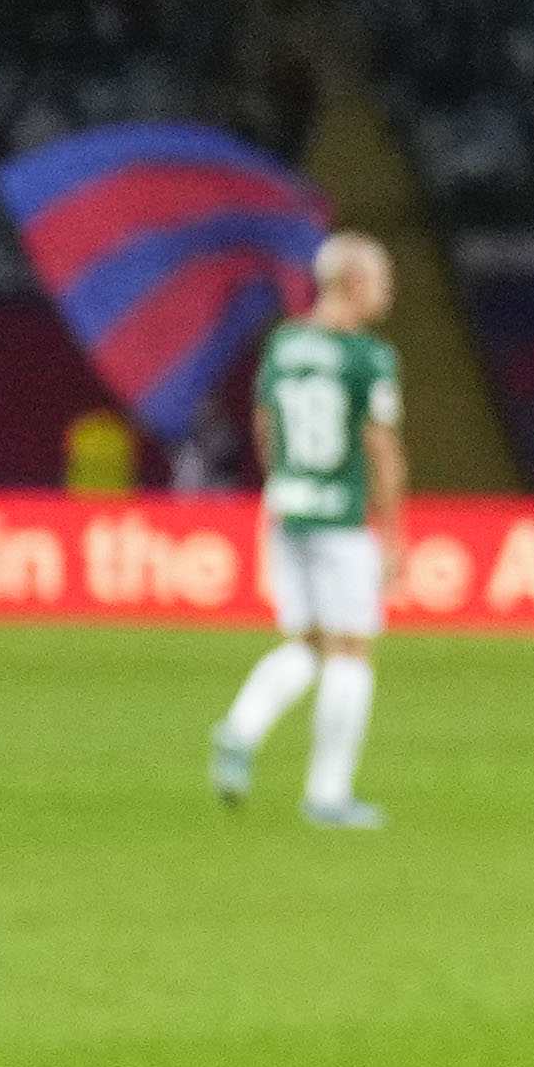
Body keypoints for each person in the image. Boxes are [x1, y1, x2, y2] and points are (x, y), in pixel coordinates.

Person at [207, 230, 407, 829]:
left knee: (307, 644)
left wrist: (283, 485)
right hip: (341, 518)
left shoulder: (284, 344)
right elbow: (382, 447)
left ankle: (240, 729)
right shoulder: (368, 357)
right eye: (380, 279)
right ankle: (328, 794)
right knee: (351, 651)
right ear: (353, 283)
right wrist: (393, 530)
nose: (388, 291)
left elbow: (265, 425)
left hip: (286, 508)